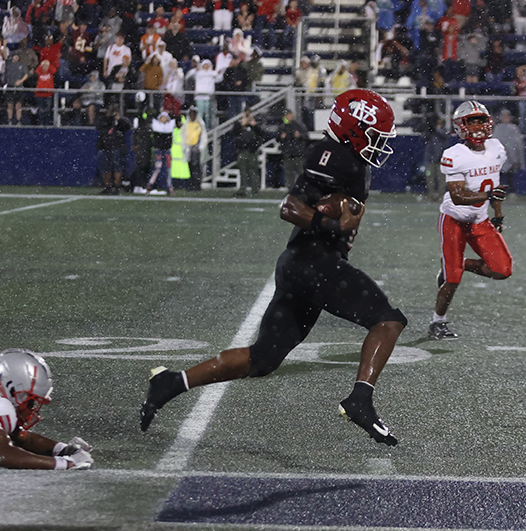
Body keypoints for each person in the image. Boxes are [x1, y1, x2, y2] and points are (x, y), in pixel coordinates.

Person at [140, 89, 406, 447]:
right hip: (314, 262)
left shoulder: (350, 160)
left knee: (262, 359)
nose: (379, 144)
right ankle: (360, 399)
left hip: (302, 265)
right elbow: (290, 207)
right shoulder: (334, 155)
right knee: (388, 320)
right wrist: (332, 224)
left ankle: (172, 382)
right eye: (375, 135)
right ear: (355, 129)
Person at [430, 101, 512, 340]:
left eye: (481, 121)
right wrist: (488, 196)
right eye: (471, 122)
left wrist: (498, 215)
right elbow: (457, 196)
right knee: (452, 279)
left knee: (502, 270)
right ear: (460, 126)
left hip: (479, 220)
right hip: (454, 219)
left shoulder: (496, 148)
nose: (477, 127)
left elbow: (496, 187)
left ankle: (460, 263)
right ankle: (437, 322)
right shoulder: (454, 154)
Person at [96, 105, 132, 195]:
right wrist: (108, 117)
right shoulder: (104, 120)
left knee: (117, 167)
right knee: (105, 168)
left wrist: (118, 119)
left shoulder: (121, 121)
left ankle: (117, 187)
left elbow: (127, 127)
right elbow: (99, 126)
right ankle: (107, 186)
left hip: (116, 146)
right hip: (105, 146)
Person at [491, 109, 525, 195]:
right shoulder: (498, 128)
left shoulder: (514, 128)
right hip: (499, 157)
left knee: (510, 175)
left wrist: (518, 158)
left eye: (507, 116)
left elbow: (518, 144)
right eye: (503, 116)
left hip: (511, 157)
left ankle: (511, 190)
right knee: (499, 175)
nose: (505, 118)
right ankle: (498, 191)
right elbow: (494, 142)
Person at [232, 108, 263, 197]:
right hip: (243, 151)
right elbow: (234, 133)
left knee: (253, 171)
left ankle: (255, 190)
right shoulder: (239, 124)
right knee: (243, 171)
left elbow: (262, 134)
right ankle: (243, 189)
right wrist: (243, 124)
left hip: (253, 151)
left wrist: (254, 125)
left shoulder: (255, 125)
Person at [146, 111, 176, 196]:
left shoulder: (169, 126)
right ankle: (150, 185)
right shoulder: (156, 125)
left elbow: (176, 118)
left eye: (165, 117)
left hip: (167, 150)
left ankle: (169, 188)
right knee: (157, 168)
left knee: (168, 169)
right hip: (158, 150)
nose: (163, 119)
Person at [277, 109, 308, 190]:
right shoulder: (283, 126)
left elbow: (306, 136)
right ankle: (291, 190)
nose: (289, 117)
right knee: (289, 174)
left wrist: (300, 135)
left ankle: (303, 188)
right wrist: (281, 137)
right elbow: (277, 138)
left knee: (301, 172)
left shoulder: (298, 125)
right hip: (288, 153)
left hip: (297, 153)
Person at [421, 114, 448, 202]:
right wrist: (429, 129)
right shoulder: (430, 131)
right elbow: (424, 137)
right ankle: (431, 194)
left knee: (441, 178)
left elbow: (445, 138)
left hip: (441, 158)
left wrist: (437, 129)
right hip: (430, 158)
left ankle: (441, 195)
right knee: (430, 177)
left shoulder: (444, 130)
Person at [184, 106, 208, 191]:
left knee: (196, 167)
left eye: (194, 114)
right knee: (190, 167)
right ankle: (191, 184)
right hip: (188, 148)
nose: (192, 116)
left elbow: (203, 136)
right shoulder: (187, 124)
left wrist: (200, 147)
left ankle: (197, 184)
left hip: (196, 148)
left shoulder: (200, 124)